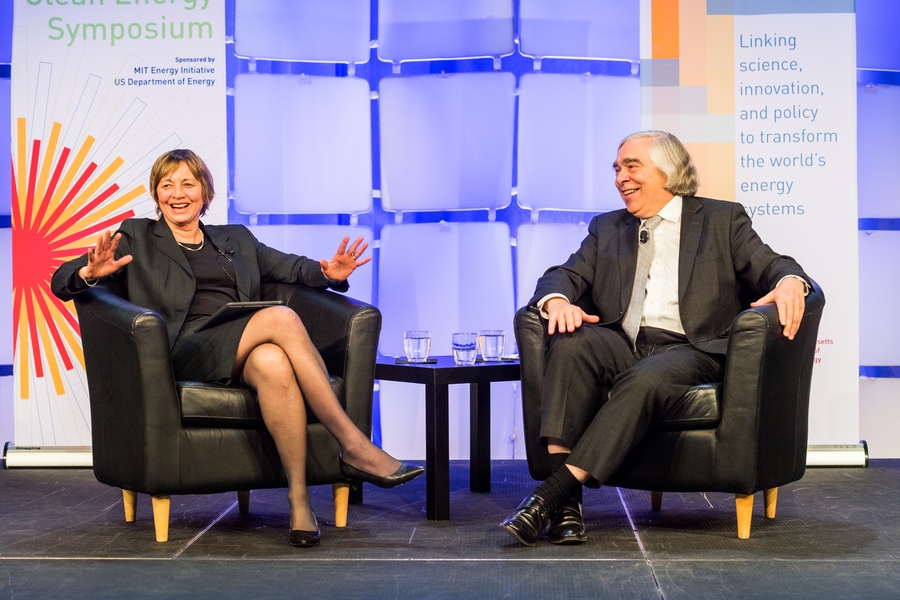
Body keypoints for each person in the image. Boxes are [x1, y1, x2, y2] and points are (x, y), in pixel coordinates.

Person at [52, 149, 423, 548]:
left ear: (205, 192)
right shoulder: (137, 236)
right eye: (167, 185)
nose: (178, 194)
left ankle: (299, 499)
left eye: (188, 184)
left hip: (240, 345)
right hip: (181, 349)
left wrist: (326, 273)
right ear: (156, 195)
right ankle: (354, 445)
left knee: (274, 361)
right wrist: (90, 272)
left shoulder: (236, 239)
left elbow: (290, 267)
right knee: (280, 318)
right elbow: (60, 280)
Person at [500, 131, 810, 546]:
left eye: (632, 166)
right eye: (616, 168)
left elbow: (771, 264)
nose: (620, 177)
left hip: (691, 347)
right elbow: (563, 275)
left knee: (646, 377)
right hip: (623, 341)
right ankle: (566, 507)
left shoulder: (722, 219)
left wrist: (792, 280)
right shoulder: (607, 227)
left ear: (668, 171)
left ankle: (551, 496)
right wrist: (557, 301)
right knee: (571, 342)